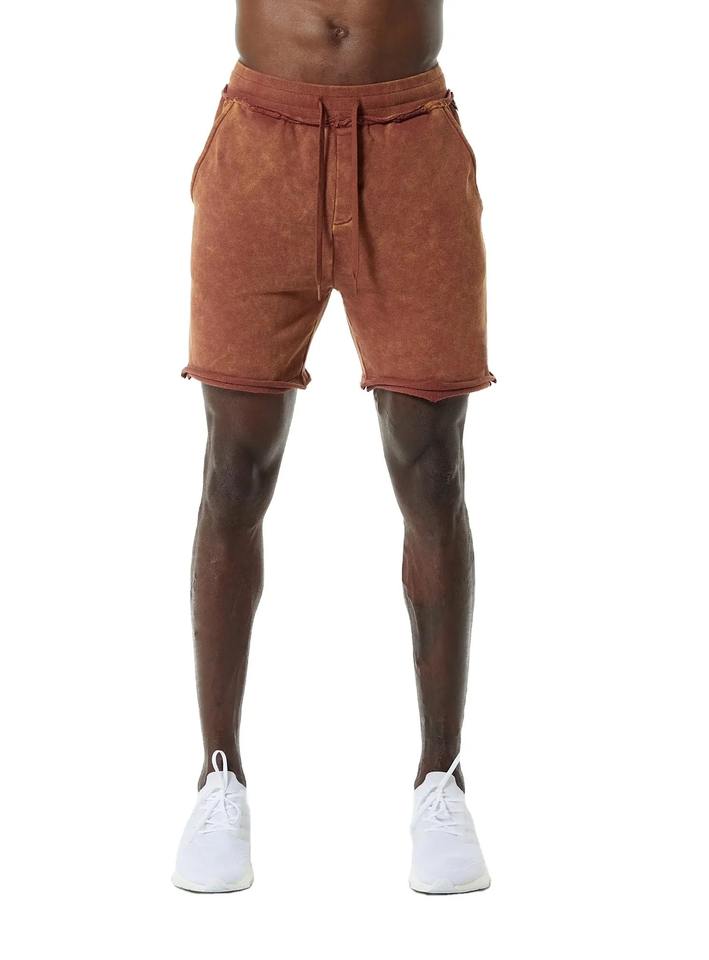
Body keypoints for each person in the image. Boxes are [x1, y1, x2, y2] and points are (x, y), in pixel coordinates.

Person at [172, 0, 495, 895]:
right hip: (262, 145)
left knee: (433, 470)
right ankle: (219, 774)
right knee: (234, 471)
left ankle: (441, 778)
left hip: (409, 143)